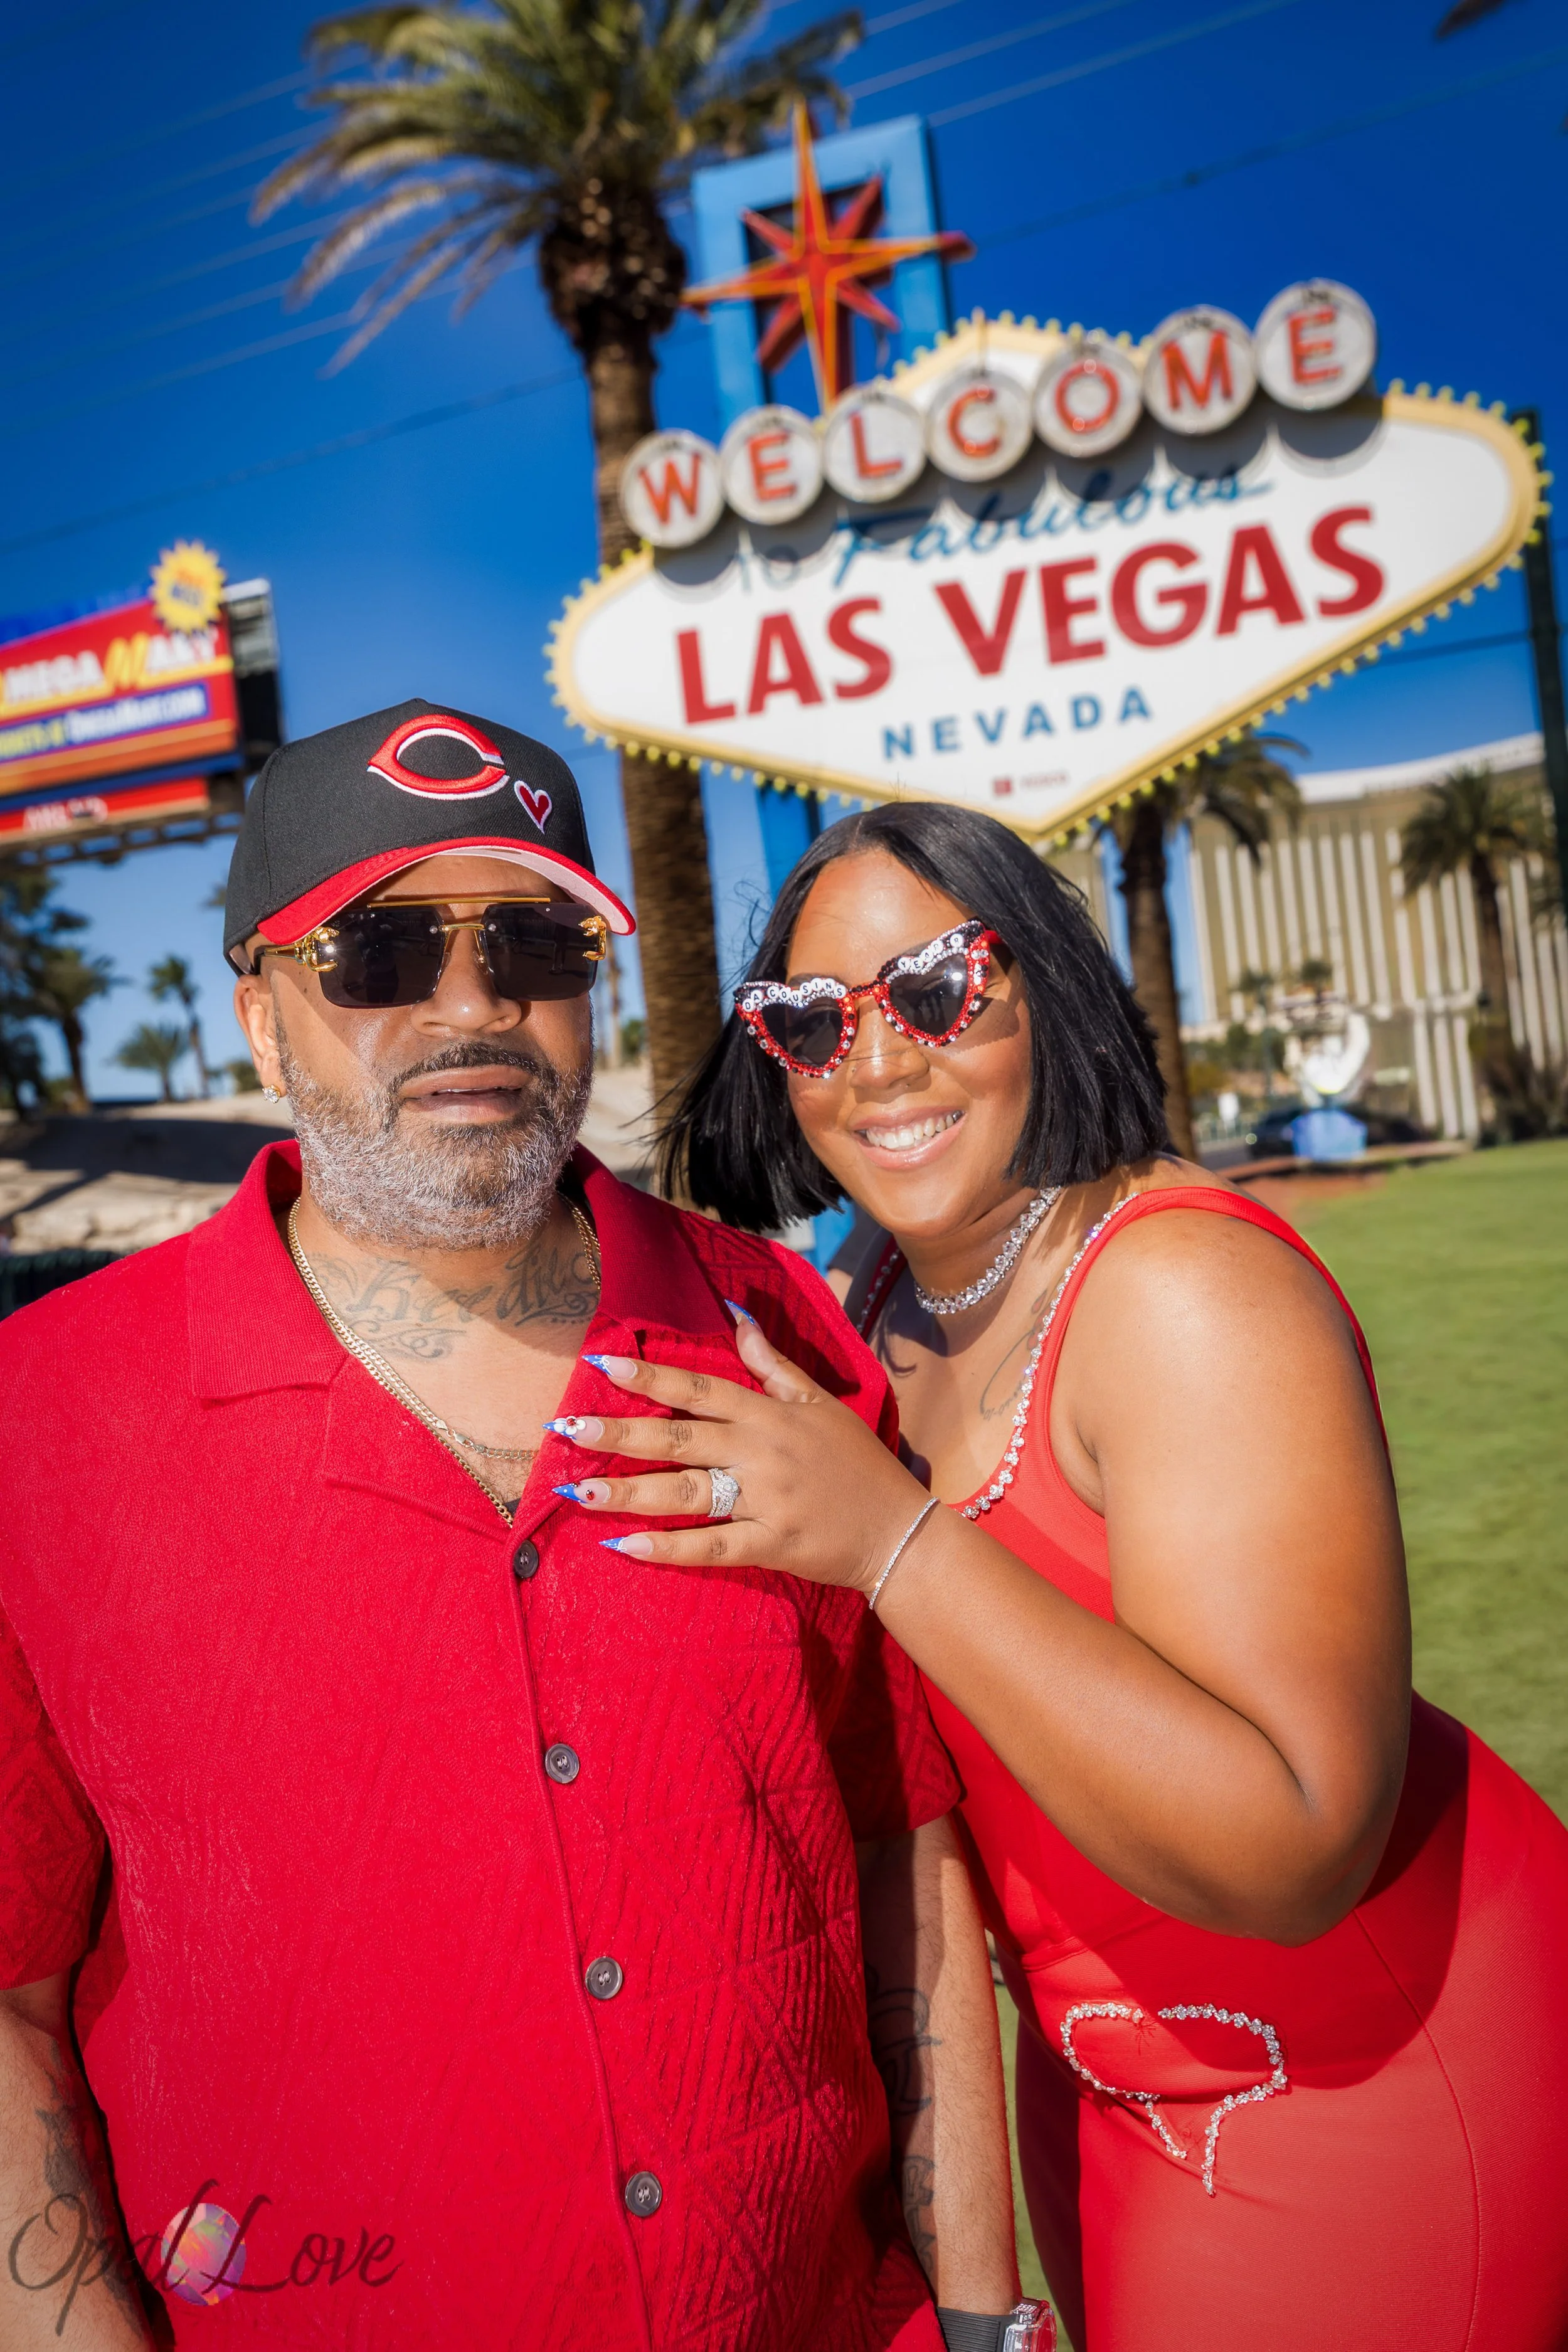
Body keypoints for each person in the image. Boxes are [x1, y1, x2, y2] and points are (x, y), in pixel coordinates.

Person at [0, 712, 1032, 2352]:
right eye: (381, 950)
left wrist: (979, 2316)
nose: (473, 1003)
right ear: (262, 1014)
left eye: (535, 941)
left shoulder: (773, 1326)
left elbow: (905, 1845)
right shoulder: (39, 1421)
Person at [561, 799, 1568, 2352]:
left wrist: (885, 1537)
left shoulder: (1179, 1290)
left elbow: (1296, 1847)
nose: (876, 1060)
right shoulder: (881, 1287)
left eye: (933, 990)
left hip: (1361, 2060)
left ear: (1044, 981)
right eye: (813, 1020)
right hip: (1098, 2074)